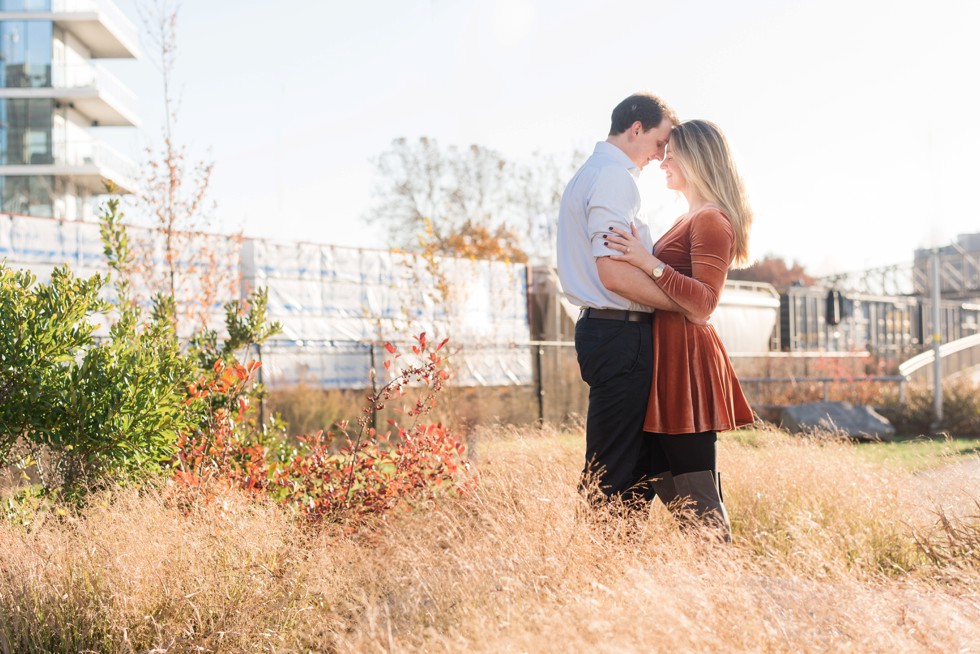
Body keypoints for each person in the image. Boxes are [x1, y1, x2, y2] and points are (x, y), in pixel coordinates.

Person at [604, 119, 754, 541]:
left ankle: (721, 580)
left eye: (672, 154)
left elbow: (705, 301)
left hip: (687, 362)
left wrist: (645, 260)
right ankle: (693, 577)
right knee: (662, 474)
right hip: (669, 358)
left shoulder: (711, 220)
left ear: (696, 159)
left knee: (694, 485)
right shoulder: (689, 216)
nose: (663, 161)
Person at [556, 92, 683, 512]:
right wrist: (678, 301)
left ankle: (616, 566)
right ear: (636, 129)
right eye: (661, 142)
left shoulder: (592, 173)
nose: (661, 155)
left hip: (609, 330)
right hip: (620, 332)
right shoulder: (614, 178)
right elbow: (613, 272)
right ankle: (601, 568)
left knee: (626, 463)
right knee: (615, 468)